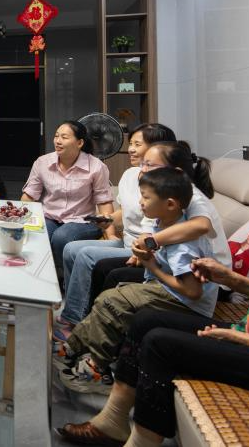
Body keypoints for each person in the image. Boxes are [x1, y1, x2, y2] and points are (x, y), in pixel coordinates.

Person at [57, 142, 249, 446]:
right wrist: (231, 279)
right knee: (146, 320)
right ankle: (113, 422)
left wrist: (237, 338)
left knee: (161, 344)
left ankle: (142, 442)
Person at [56, 168, 217, 394]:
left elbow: (193, 291)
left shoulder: (183, 246)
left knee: (113, 302)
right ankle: (72, 348)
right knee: (108, 298)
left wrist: (153, 267)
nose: (140, 202)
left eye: (146, 197)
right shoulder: (163, 223)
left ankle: (96, 371)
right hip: (167, 289)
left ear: (170, 204)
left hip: (186, 303)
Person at [78, 140, 234, 315]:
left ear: (175, 172)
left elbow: (201, 226)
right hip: (170, 262)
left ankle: (103, 324)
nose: (143, 169)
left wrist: (150, 243)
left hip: (204, 276)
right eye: (143, 163)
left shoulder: (192, 196)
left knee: (115, 276)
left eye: (150, 165)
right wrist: (141, 249)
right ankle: (89, 320)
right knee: (103, 267)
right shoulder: (158, 194)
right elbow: (148, 230)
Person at [57, 123, 177, 333]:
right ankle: (75, 305)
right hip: (126, 240)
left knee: (85, 255)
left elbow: (158, 229)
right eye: (131, 144)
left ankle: (75, 320)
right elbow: (126, 211)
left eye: (137, 144)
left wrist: (144, 248)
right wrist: (109, 219)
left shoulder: (167, 186)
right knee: (70, 249)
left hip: (142, 249)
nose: (130, 149)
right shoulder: (130, 175)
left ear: (158, 149)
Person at [22, 120, 115, 272]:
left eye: (64, 137)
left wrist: (110, 235)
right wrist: (20, 219)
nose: (58, 141)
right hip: (49, 217)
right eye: (56, 136)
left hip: (83, 221)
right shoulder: (42, 162)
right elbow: (29, 196)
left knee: (61, 237)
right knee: (36, 234)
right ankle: (40, 273)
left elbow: (104, 202)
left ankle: (64, 277)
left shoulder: (96, 167)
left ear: (79, 143)